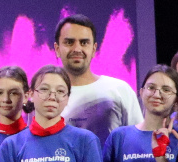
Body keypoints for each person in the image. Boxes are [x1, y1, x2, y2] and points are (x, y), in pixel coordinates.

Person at [56, 13, 143, 148]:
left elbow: (138, 145)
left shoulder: (120, 90)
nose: (77, 49)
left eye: (84, 43)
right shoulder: (46, 97)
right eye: (69, 42)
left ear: (94, 49)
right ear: (57, 49)